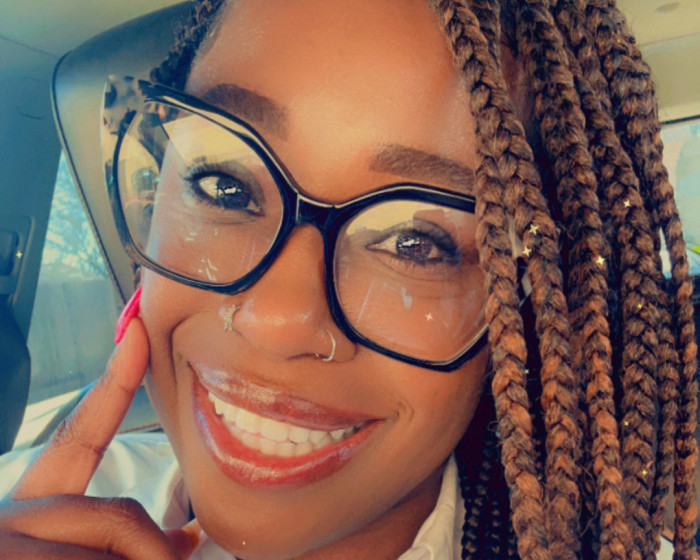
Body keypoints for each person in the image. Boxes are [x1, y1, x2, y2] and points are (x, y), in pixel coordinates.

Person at [0, 0, 696, 558]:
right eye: (224, 184)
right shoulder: (21, 505)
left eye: (415, 243)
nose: (276, 322)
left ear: (529, 309)